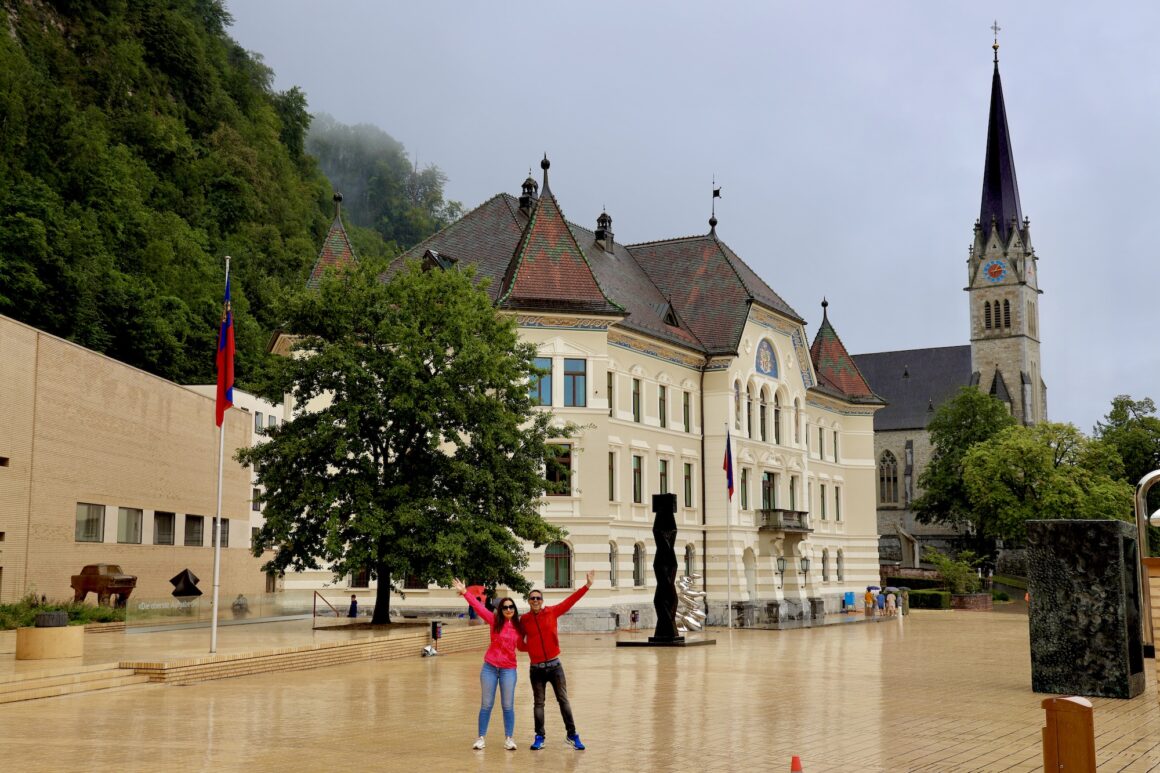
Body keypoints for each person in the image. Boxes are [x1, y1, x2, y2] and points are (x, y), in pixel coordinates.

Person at [523, 569, 593, 751]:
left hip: (555, 666)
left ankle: (572, 735)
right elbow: (518, 640)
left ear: (542, 601)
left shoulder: (552, 612)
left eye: (538, 598)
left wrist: (587, 586)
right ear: (529, 602)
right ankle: (539, 737)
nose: (536, 601)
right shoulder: (525, 620)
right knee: (538, 703)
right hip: (536, 668)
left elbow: (570, 601)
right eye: (532, 599)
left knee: (563, 701)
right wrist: (529, 647)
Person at [452, 578, 522, 752]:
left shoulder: (519, 627)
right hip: (490, 667)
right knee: (486, 704)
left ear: (514, 610)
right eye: (505, 607)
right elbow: (478, 607)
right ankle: (481, 738)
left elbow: (528, 642)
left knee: (507, 705)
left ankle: (509, 738)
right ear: (500, 610)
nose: (508, 610)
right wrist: (464, 592)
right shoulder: (493, 621)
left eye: (511, 607)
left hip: (508, 669)